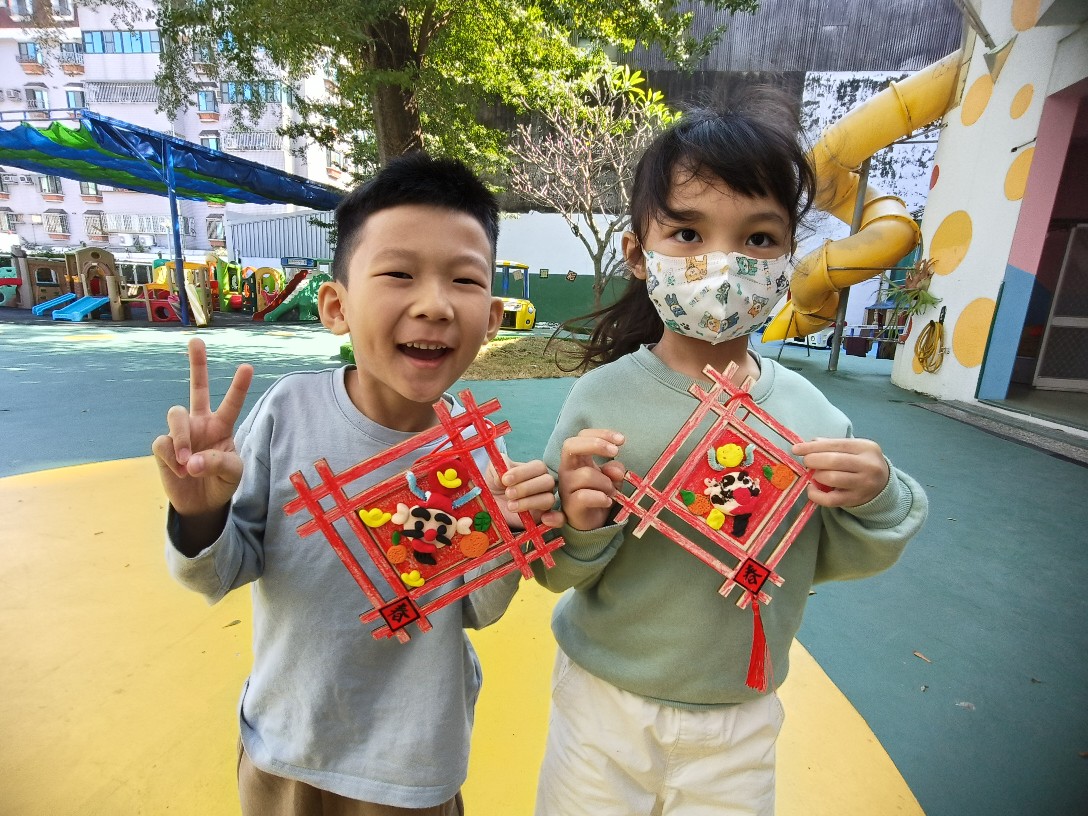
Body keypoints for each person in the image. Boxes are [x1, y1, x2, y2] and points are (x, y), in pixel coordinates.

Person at [533, 89, 929, 816]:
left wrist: (879, 496)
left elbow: (838, 554)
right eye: (687, 232)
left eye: (759, 239)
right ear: (638, 254)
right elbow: (554, 568)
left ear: (788, 259)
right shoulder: (601, 400)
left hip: (741, 716)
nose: (723, 262)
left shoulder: (809, 414)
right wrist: (580, 526)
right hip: (602, 702)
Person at [152, 153, 562, 816]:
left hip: (411, 769)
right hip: (285, 749)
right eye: (399, 273)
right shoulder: (287, 413)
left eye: (464, 280)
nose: (434, 305)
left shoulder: (478, 451)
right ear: (336, 306)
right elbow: (218, 572)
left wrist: (509, 532)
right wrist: (201, 515)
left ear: (491, 319)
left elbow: (477, 610)